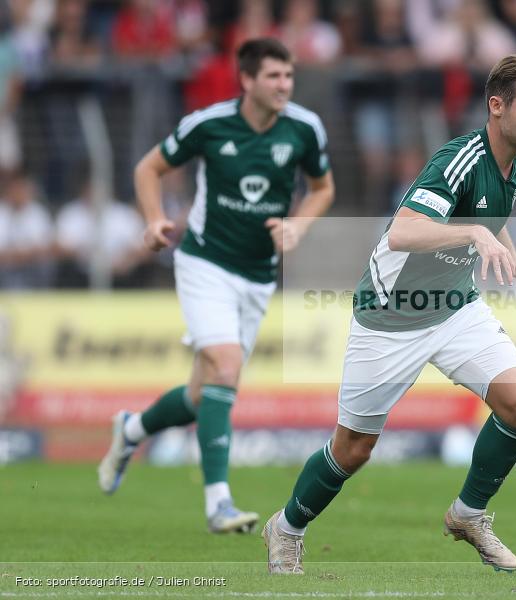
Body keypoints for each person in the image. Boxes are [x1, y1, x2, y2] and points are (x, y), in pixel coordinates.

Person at [262, 54, 516, 574]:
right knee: (353, 450)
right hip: (391, 316)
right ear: (496, 106)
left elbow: (489, 213)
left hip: (455, 308)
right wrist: (474, 233)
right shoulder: (458, 159)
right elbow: (403, 231)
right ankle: (286, 528)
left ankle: (468, 514)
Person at [97, 38, 335, 533]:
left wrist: (298, 226)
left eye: (288, 76)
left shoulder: (304, 128)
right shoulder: (209, 124)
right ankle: (218, 503)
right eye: (273, 76)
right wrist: (155, 218)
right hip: (204, 262)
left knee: (202, 393)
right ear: (247, 80)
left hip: (257, 275)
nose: (283, 85)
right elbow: (149, 167)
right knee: (225, 368)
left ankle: (131, 428)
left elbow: (322, 187)